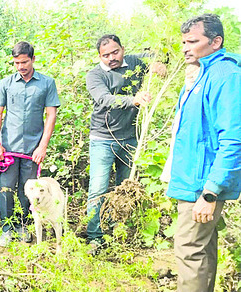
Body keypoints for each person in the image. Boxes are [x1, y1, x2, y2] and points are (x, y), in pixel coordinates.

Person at [163, 14, 241, 291]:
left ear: (216, 42)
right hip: (192, 179)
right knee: (202, 250)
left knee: (189, 251)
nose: (185, 48)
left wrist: (210, 192)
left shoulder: (225, 75)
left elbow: (233, 138)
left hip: (202, 183)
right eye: (183, 42)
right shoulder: (204, 73)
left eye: (193, 41)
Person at [85, 34, 166, 252]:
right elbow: (104, 99)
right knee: (99, 189)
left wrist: (159, 63)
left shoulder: (135, 61)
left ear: (123, 48)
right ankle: (94, 236)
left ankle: (115, 230)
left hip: (130, 138)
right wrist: (133, 99)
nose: (111, 58)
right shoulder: (95, 75)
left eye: (115, 52)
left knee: (124, 187)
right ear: (99, 56)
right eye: (105, 55)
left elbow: (158, 54)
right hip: (102, 138)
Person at [0, 41, 60, 247]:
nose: (20, 66)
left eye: (24, 62)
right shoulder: (6, 83)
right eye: (16, 62)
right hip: (8, 148)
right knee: (5, 188)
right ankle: (6, 227)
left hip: (32, 148)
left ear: (33, 59)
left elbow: (51, 115)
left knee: (28, 189)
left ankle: (23, 226)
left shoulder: (46, 83)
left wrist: (43, 146)